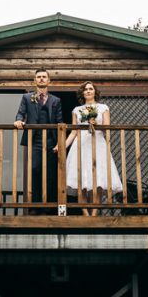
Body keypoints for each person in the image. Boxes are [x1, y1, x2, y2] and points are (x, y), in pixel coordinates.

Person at [64, 81, 123, 215]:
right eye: (85, 89)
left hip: (97, 143)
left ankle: (95, 212)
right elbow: (73, 132)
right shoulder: (77, 110)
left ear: (95, 91)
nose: (88, 91)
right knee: (81, 178)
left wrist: (97, 124)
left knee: (98, 179)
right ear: (82, 93)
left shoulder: (103, 108)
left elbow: (107, 128)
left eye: (91, 89)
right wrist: (62, 147)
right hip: (81, 144)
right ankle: (85, 213)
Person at [14, 68, 63, 213]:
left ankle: (48, 207)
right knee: (35, 170)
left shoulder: (56, 100)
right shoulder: (27, 97)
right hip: (34, 140)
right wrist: (18, 121)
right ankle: (35, 205)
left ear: (49, 81)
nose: (41, 79)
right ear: (35, 80)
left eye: (44, 77)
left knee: (50, 173)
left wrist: (59, 143)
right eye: (39, 77)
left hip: (50, 140)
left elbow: (60, 121)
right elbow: (20, 113)